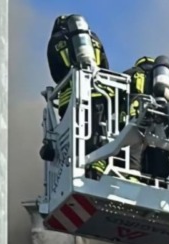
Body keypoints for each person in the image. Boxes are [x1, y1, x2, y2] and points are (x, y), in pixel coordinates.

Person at [44, 15, 112, 177]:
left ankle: (78, 169)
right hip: (100, 92)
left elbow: (56, 73)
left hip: (70, 97)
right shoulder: (93, 38)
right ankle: (97, 166)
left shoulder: (55, 40)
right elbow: (105, 67)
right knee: (98, 132)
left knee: (74, 136)